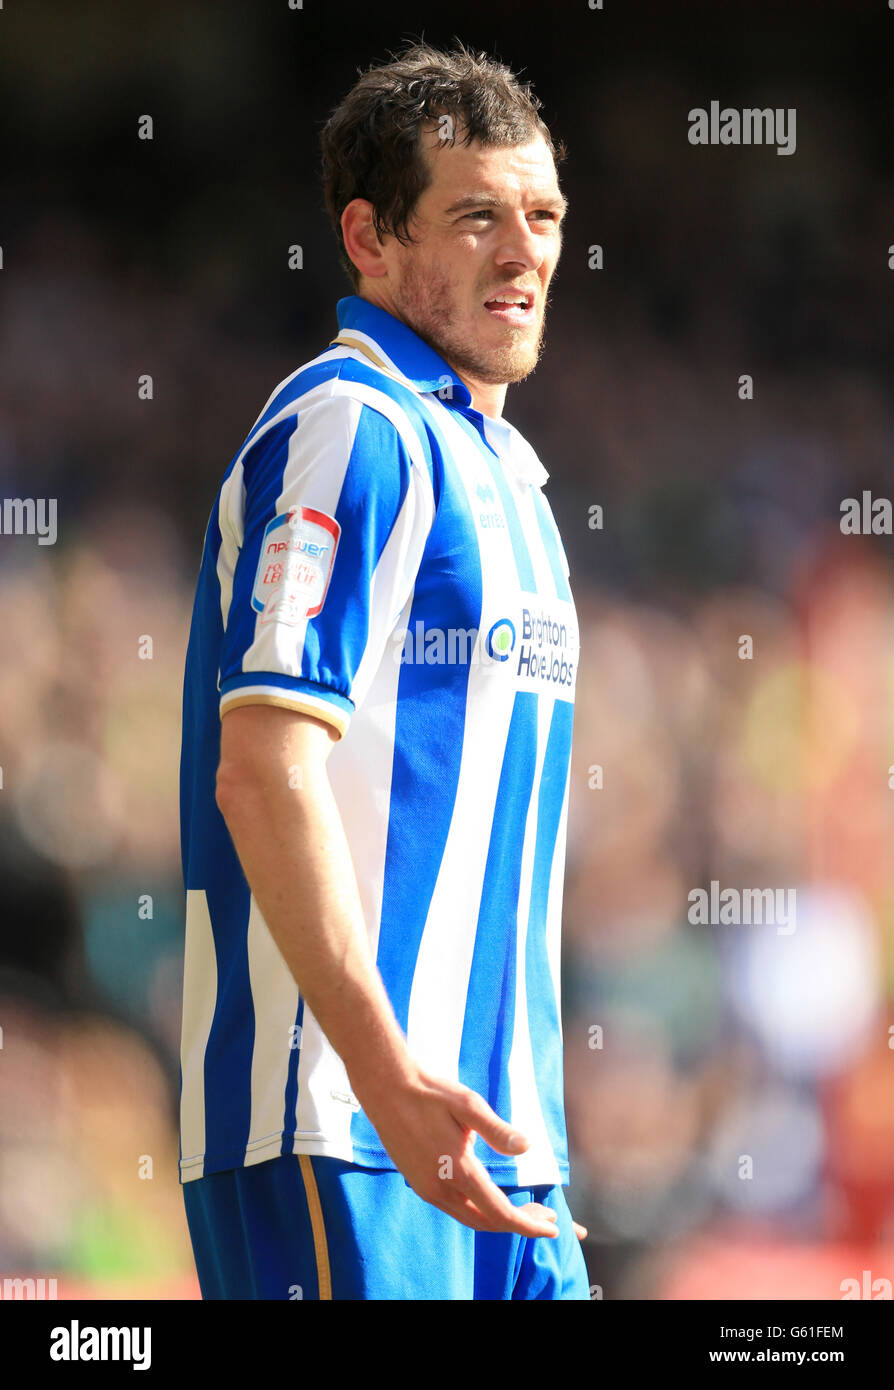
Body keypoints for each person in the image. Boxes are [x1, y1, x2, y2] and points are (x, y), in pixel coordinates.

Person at [178, 39, 589, 1300]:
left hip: (503, 1148)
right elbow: (263, 771)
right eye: (476, 217)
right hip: (341, 1125)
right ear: (368, 240)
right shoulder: (351, 424)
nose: (523, 252)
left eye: (543, 215)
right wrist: (382, 1073)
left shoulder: (510, 476)